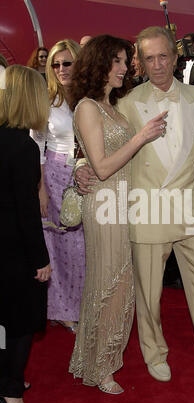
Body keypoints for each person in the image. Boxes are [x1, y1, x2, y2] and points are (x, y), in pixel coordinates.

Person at [75, 26, 194, 382]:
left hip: (193, 210)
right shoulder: (124, 103)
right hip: (147, 211)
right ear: (140, 63)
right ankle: (155, 353)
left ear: (176, 57)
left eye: (163, 56)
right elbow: (96, 142)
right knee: (149, 294)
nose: (157, 65)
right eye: (148, 58)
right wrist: (81, 167)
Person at [68, 34, 167, 394]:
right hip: (106, 207)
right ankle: (101, 367)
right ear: (100, 64)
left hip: (126, 204)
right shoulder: (87, 107)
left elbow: (98, 158)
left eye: (127, 61)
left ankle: (98, 358)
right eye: (119, 62)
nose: (127, 68)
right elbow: (104, 165)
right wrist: (141, 137)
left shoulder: (112, 105)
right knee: (109, 285)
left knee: (122, 286)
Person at [0, 65, 51, 403]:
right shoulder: (23, 145)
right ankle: (11, 392)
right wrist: (41, 260)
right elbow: (27, 212)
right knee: (20, 323)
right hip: (13, 250)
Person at [30, 39, 85, 333]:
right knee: (61, 245)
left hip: (89, 174)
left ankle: (85, 303)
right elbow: (37, 144)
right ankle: (63, 308)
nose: (61, 69)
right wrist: (41, 188)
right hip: (55, 173)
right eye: (55, 64)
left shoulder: (90, 96)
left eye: (67, 62)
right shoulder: (46, 100)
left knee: (86, 245)